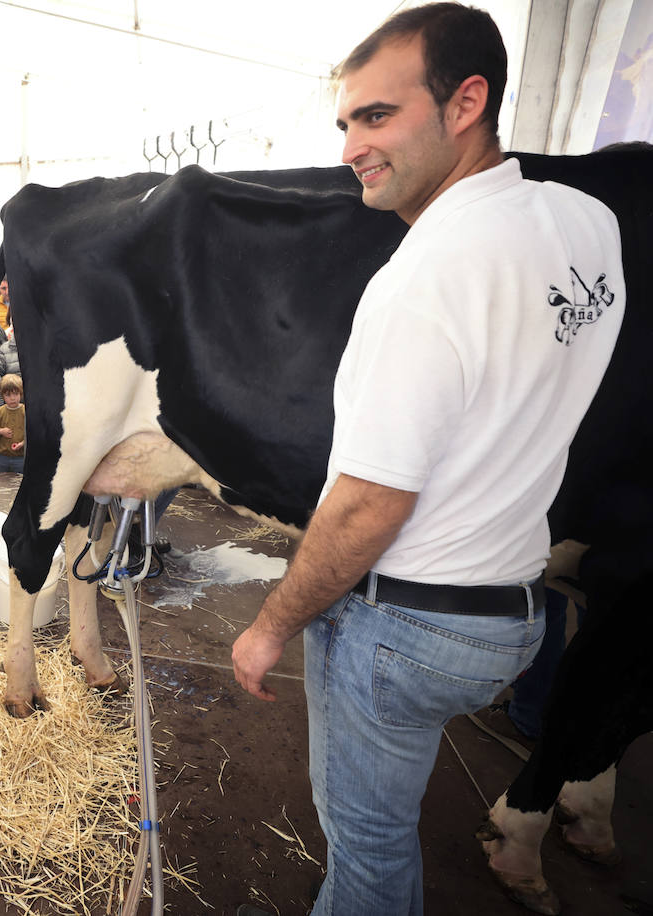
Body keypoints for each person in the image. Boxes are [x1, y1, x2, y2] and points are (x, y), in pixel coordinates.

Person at [228, 6, 625, 916]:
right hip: (516, 622)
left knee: (366, 858)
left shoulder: (423, 275)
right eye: (344, 123)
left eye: (376, 116)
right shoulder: (589, 226)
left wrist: (271, 625)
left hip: (401, 629)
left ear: (465, 103)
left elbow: (369, 505)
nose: (349, 149)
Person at [0, 373, 26, 474]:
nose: (12, 398)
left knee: (19, 483)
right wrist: (0, 431)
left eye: (15, 394)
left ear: (21, 394)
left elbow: (34, 431)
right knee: (2, 483)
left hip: (21, 457)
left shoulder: (26, 411)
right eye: (8, 395)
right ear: (2, 396)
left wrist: (24, 443)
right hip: (2, 457)